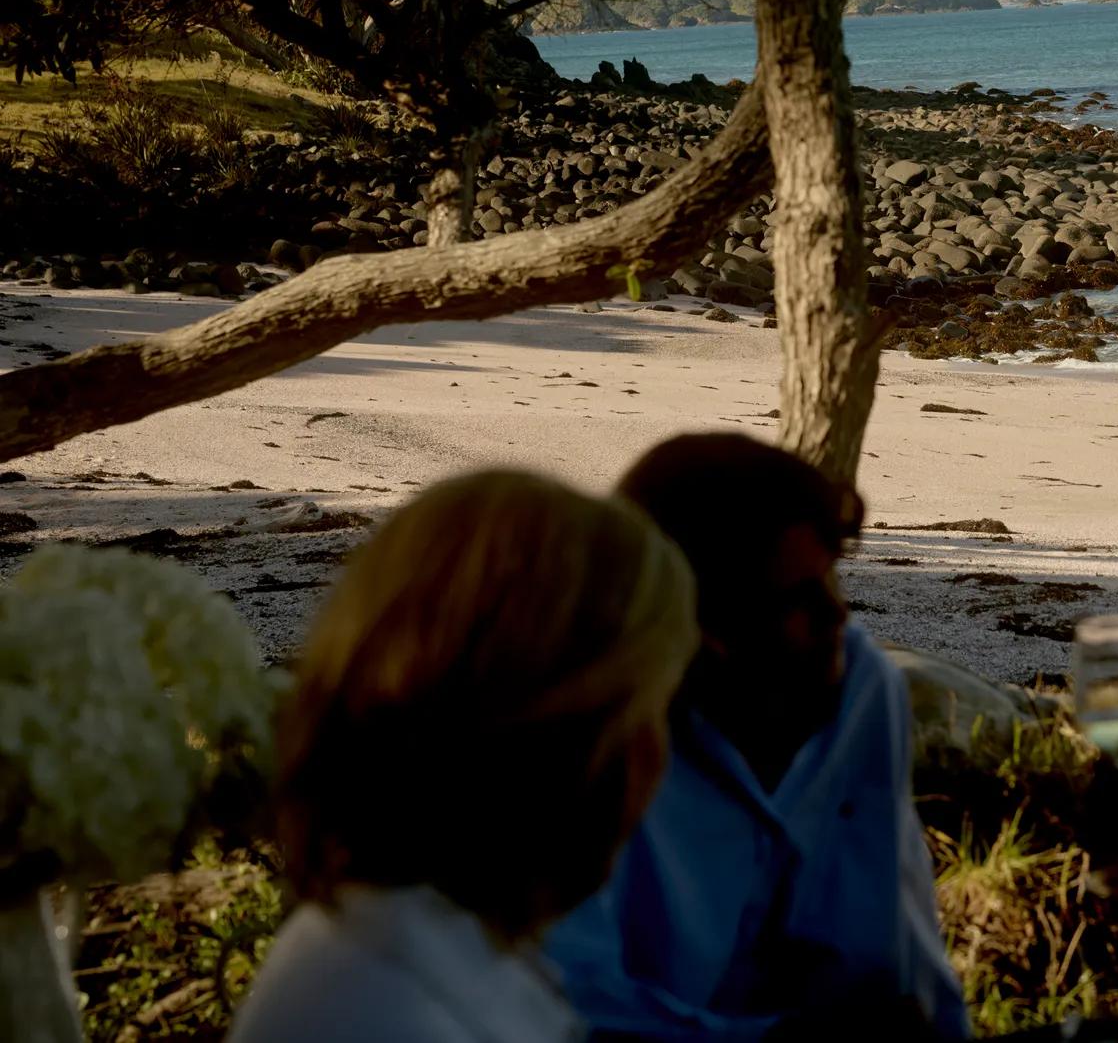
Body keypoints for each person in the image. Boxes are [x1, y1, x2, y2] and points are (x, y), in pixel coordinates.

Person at [229, 472, 700, 1043]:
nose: (659, 755)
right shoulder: (389, 1009)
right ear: (561, 731)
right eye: (649, 711)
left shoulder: (413, 942)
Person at [543, 434, 968, 1040]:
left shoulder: (863, 693)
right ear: (698, 619)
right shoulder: (596, 731)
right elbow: (565, 1003)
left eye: (833, 579)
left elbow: (906, 946)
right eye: (798, 597)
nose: (837, 615)